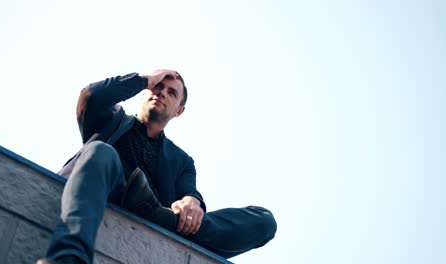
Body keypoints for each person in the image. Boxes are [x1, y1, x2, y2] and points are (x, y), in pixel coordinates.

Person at [37, 69, 277, 264]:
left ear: (179, 111)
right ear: (144, 94)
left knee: (264, 220)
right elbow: (91, 95)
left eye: (171, 92)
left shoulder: (182, 160)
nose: (161, 92)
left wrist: (192, 202)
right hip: (107, 194)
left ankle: (159, 215)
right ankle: (68, 259)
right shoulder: (109, 121)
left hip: (159, 219)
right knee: (101, 151)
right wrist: (144, 79)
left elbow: (188, 192)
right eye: (158, 87)